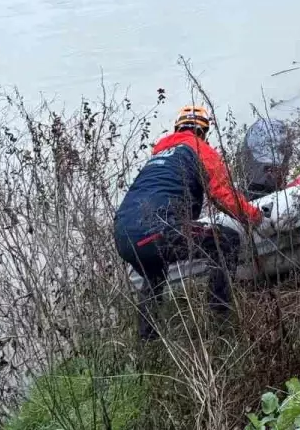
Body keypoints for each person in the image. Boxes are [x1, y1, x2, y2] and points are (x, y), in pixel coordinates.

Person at [113, 105, 266, 341]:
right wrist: (253, 215)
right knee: (226, 240)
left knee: (154, 276)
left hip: (123, 235)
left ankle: (147, 341)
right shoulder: (199, 149)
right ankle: (220, 316)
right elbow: (222, 196)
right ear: (203, 132)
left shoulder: (157, 158)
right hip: (156, 231)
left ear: (177, 128)